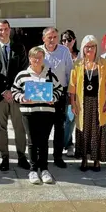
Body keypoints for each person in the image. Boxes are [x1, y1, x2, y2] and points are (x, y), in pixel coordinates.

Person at [12, 46, 64, 184]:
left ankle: (44, 169)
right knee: (32, 142)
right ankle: (33, 170)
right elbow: (14, 90)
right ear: (29, 59)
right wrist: (22, 97)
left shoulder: (50, 75)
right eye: (34, 57)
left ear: (43, 59)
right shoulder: (22, 75)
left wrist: (53, 97)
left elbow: (59, 89)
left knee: (44, 142)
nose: (37, 60)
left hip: (47, 112)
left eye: (40, 57)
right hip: (29, 113)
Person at [0, 19, 30, 172]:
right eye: (0, 29)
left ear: (9, 30)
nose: (2, 32)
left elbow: (24, 71)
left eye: (5, 29)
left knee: (19, 127)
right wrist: (3, 91)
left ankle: (21, 157)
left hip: (16, 95)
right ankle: (5, 157)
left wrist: (13, 90)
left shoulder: (20, 48)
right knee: (1, 128)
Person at [69, 35, 106, 172]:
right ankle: (83, 159)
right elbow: (72, 86)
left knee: (97, 130)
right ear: (83, 48)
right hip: (82, 102)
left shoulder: (103, 63)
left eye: (92, 46)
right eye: (87, 46)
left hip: (98, 102)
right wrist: (73, 103)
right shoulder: (77, 64)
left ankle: (96, 160)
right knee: (83, 130)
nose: (90, 49)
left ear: (96, 48)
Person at [41, 27, 74, 168]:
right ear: (43, 39)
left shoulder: (64, 51)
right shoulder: (38, 51)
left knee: (59, 127)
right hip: (43, 94)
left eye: (55, 37)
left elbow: (70, 72)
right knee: (43, 127)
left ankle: (58, 156)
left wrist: (69, 93)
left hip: (60, 93)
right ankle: (41, 156)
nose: (52, 40)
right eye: (49, 37)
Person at [60, 29, 79, 157]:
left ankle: (66, 143)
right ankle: (68, 143)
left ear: (74, 40)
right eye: (64, 40)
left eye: (69, 39)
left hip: (78, 92)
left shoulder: (80, 55)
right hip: (63, 91)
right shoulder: (60, 54)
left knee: (72, 119)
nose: (67, 42)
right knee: (65, 119)